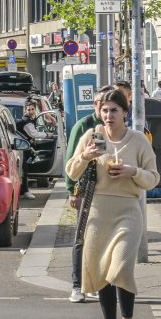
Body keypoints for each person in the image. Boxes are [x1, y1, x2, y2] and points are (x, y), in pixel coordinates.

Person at [65, 89, 160, 319]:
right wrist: (85, 156)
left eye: (114, 110)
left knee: (121, 266)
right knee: (101, 272)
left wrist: (133, 172)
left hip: (128, 210)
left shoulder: (138, 140)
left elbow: (153, 179)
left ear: (125, 113)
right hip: (97, 212)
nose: (108, 115)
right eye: (104, 110)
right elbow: (71, 172)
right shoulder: (91, 135)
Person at [66, 85, 114, 303]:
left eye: (109, 106)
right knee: (81, 238)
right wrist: (72, 191)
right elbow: (71, 161)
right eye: (100, 105)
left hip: (108, 192)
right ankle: (77, 285)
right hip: (86, 190)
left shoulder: (115, 128)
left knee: (103, 240)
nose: (104, 111)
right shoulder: (84, 126)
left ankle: (96, 282)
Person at [15, 101, 43, 201]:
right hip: (21, 148)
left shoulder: (30, 119)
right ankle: (25, 191)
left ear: (35, 110)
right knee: (24, 170)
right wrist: (47, 135)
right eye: (28, 109)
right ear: (25, 110)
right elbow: (33, 134)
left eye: (32, 109)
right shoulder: (27, 121)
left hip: (23, 147)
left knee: (24, 170)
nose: (30, 111)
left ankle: (23, 190)